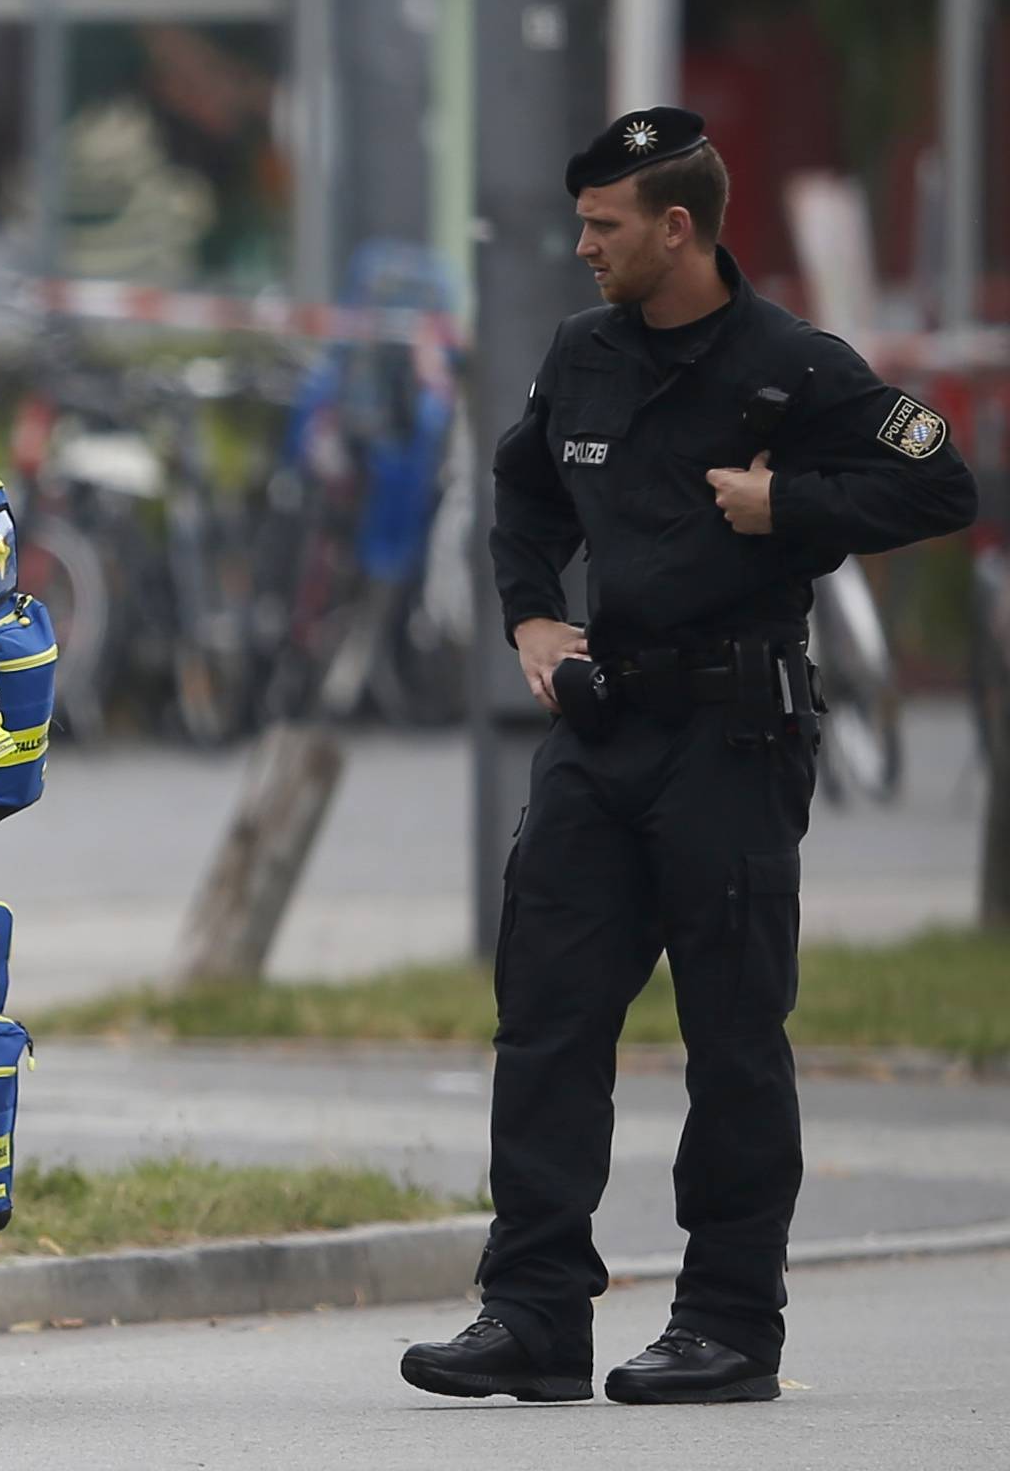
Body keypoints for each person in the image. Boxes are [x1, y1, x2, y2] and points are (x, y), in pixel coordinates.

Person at [400, 108, 978, 1408]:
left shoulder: (796, 367)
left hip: (732, 737)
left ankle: (727, 1324)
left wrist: (795, 506)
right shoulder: (581, 355)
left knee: (731, 1041)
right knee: (546, 1024)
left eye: (605, 226)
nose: (582, 245)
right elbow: (526, 492)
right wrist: (534, 618)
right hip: (603, 736)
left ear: (680, 227)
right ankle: (534, 1315)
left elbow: (945, 481)